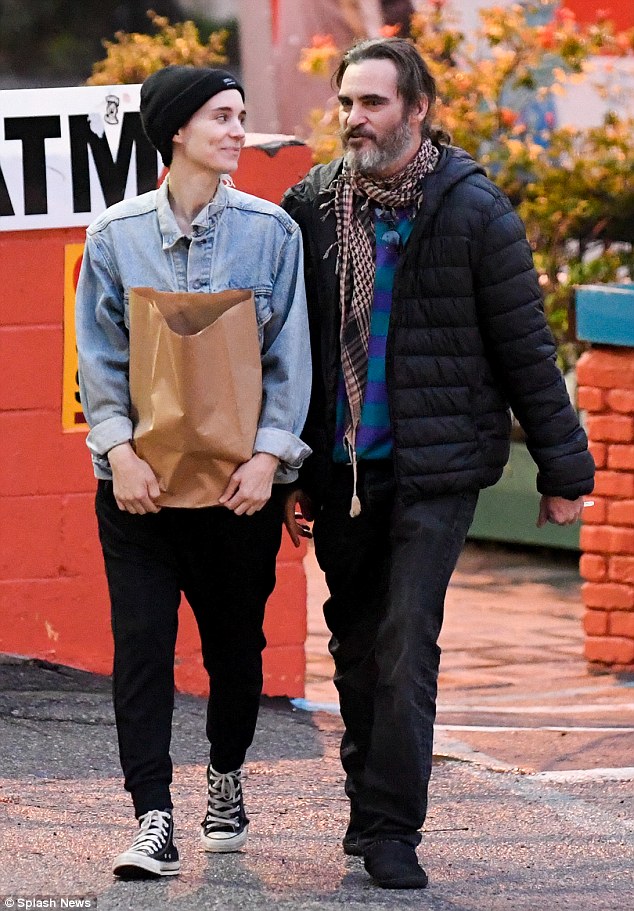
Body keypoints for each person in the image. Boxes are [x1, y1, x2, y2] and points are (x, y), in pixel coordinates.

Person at [282, 38, 594, 890]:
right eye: (347, 102)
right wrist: (285, 468)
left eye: (373, 103)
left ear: (417, 109)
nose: (355, 119)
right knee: (353, 642)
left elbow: (524, 345)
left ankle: (391, 829)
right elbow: (281, 346)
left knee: (403, 637)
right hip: (342, 469)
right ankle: (367, 799)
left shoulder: (471, 210)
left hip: (438, 466)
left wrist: (565, 471)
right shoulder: (312, 204)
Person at [75, 65, 311, 879]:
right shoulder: (114, 237)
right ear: (177, 130)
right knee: (141, 648)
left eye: (242, 114)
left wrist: (269, 458)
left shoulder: (272, 233)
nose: (240, 130)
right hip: (137, 493)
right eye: (223, 116)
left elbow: (290, 359)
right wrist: (119, 450)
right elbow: (98, 358)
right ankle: (152, 817)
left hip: (237, 494)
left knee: (235, 653)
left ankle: (225, 775)